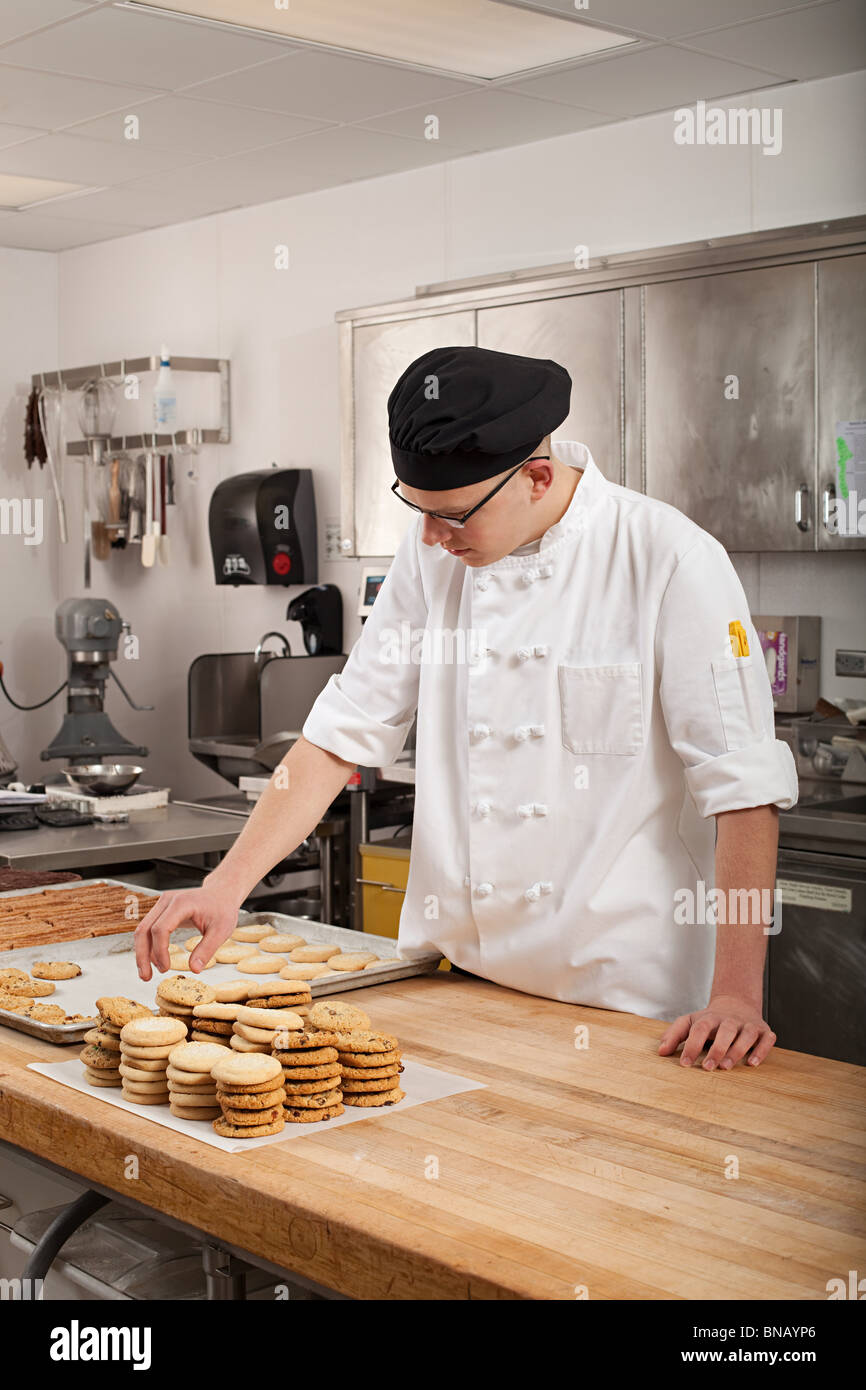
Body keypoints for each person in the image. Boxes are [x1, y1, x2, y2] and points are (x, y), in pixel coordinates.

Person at [135, 345, 797, 1072]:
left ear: (537, 477)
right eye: (416, 512)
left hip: (627, 1005)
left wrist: (736, 993)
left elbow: (743, 792)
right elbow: (341, 730)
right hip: (462, 986)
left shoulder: (670, 559)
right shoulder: (436, 554)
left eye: (450, 517)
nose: (428, 538)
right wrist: (225, 885)